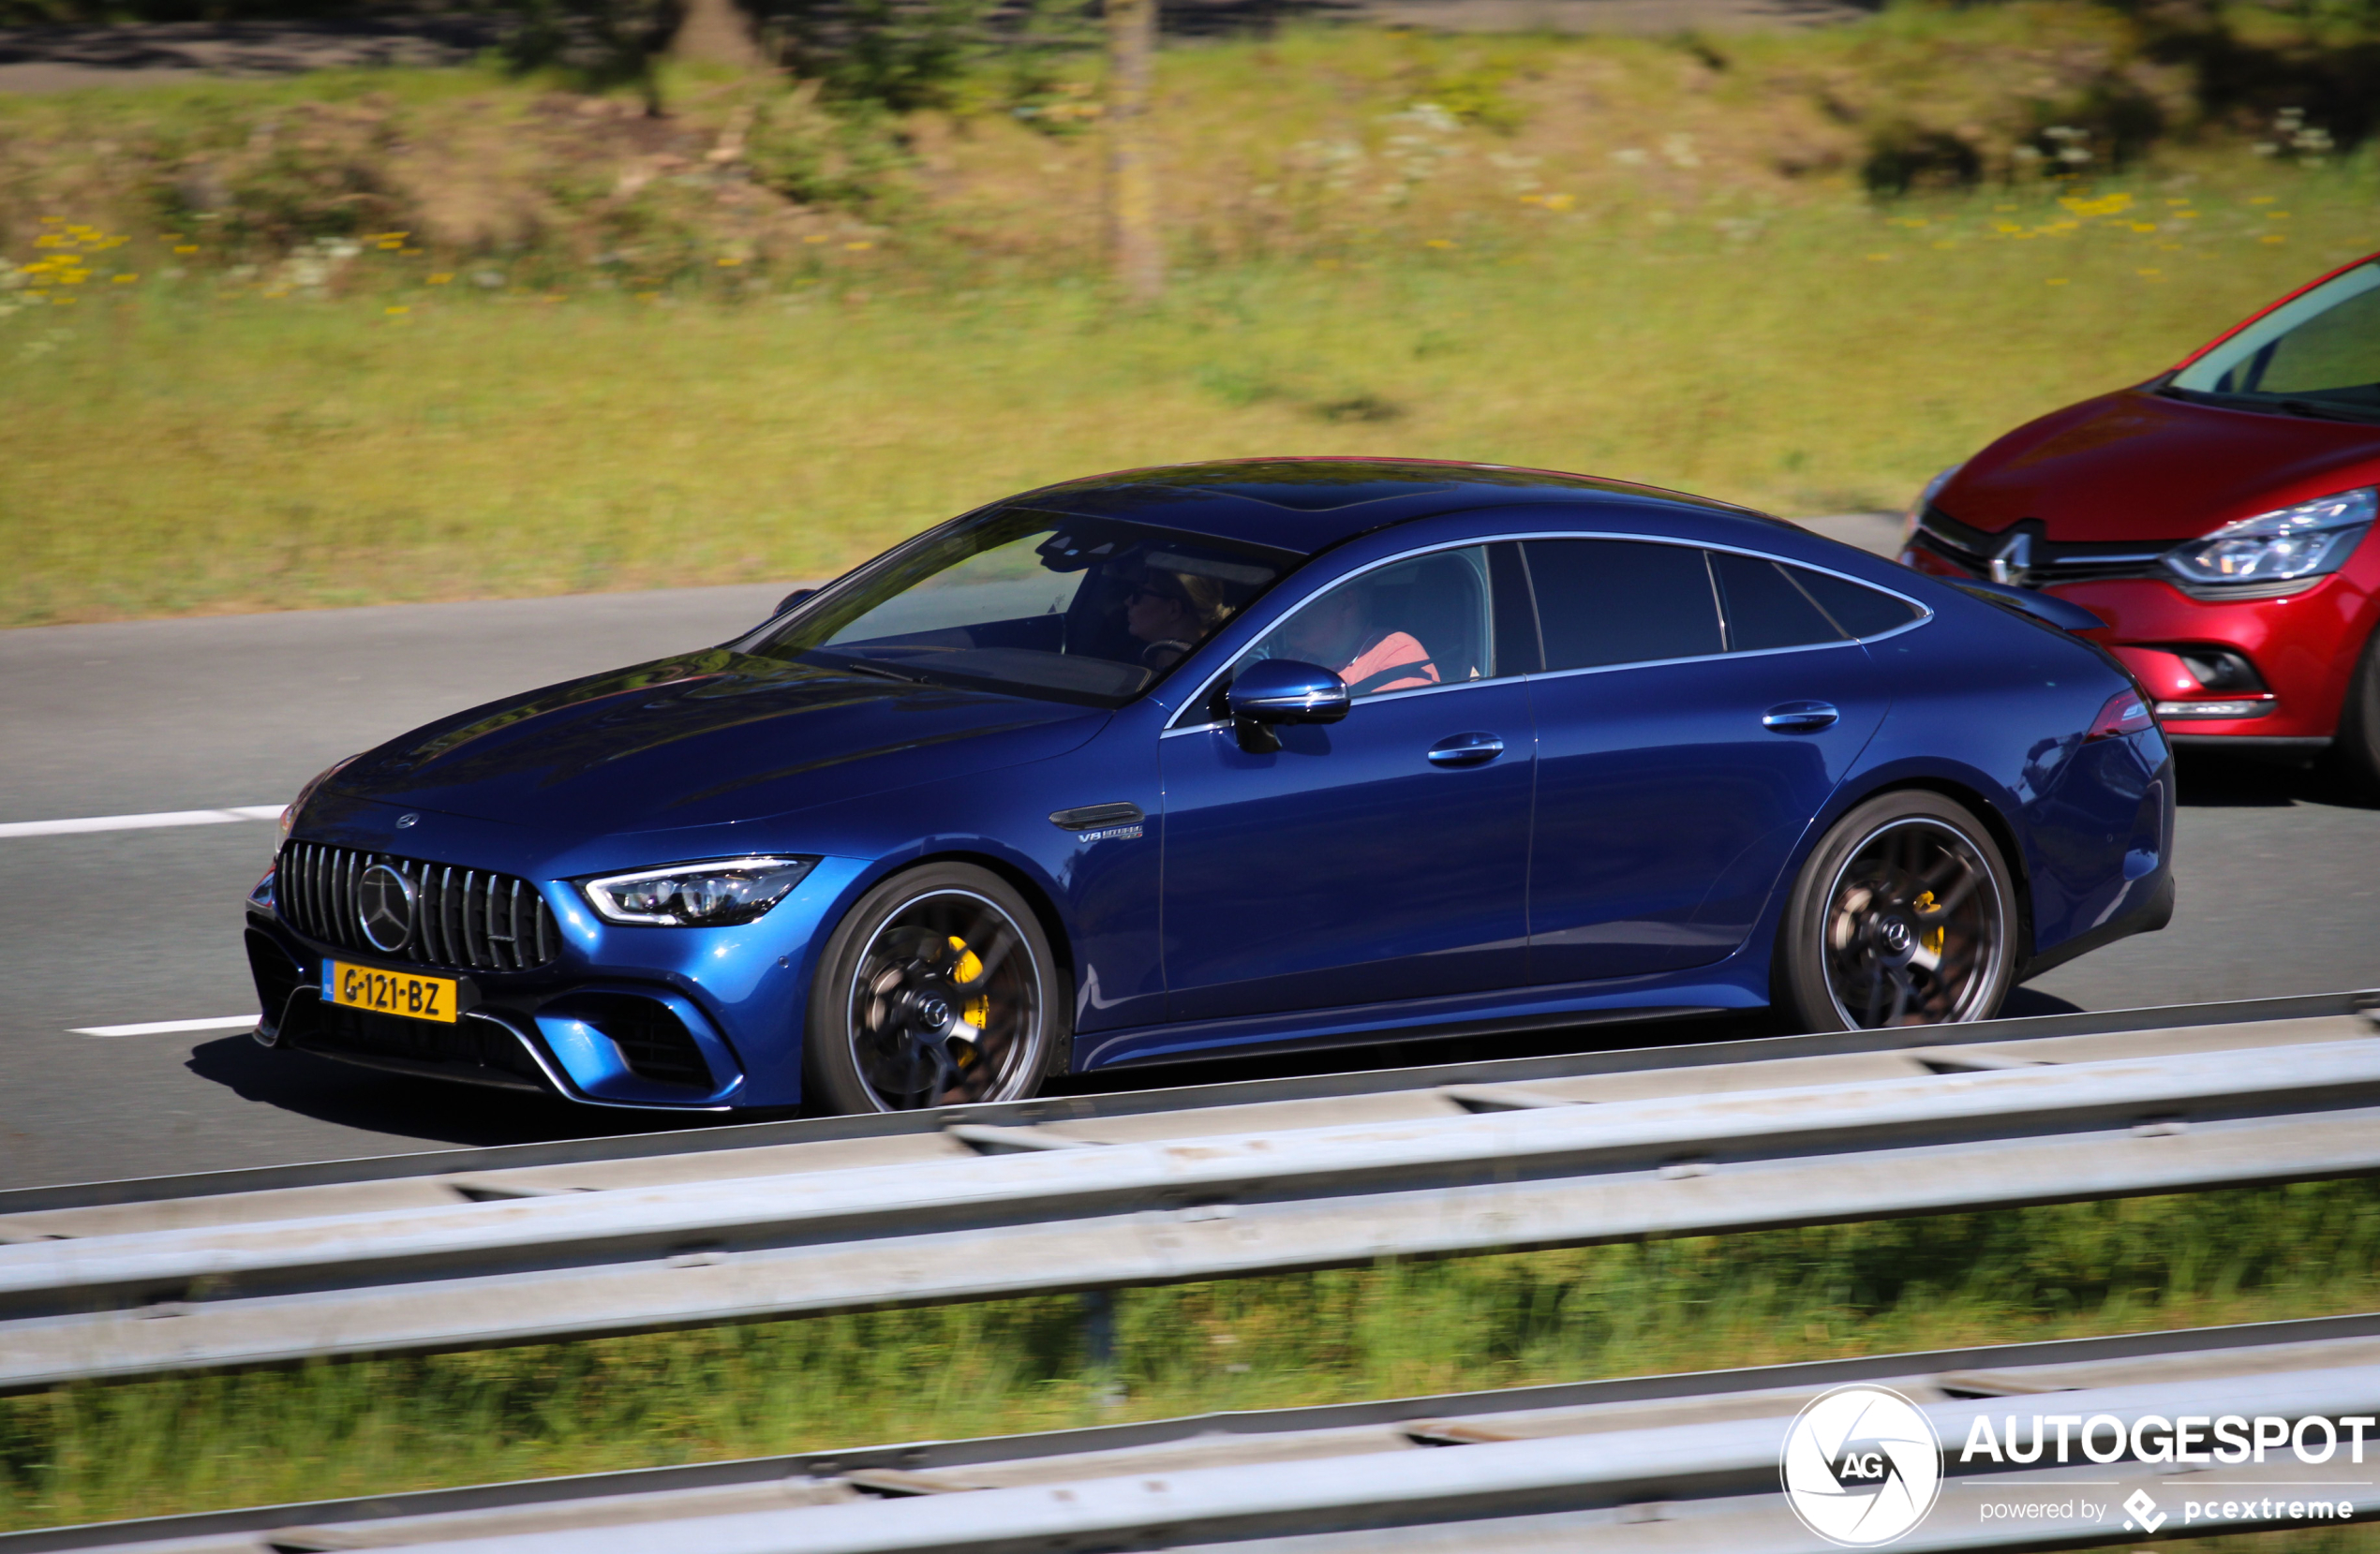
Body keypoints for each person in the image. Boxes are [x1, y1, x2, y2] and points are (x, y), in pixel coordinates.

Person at [1271, 583, 1438, 695]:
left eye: (1302, 600)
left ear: (1346, 603)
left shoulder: (1396, 653)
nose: (1290, 611)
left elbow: (1384, 732)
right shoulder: (1298, 658)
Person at [1124, 570, 1228, 670]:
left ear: (1174, 609)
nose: (1127, 601)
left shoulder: (1200, 671)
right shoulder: (1147, 653)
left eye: (1138, 594)